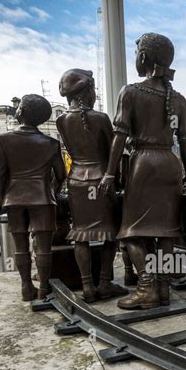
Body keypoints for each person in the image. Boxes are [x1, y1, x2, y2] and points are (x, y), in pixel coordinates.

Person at [100, 33, 186, 310]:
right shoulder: (179, 99)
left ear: (143, 57)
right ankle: (163, 288)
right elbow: (185, 140)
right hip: (170, 165)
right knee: (166, 232)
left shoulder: (130, 92)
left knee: (132, 232)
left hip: (144, 164)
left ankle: (146, 289)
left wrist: (109, 174)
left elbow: (119, 135)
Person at [57, 69, 128, 303]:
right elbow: (112, 153)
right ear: (87, 91)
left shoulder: (61, 120)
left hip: (76, 180)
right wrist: (115, 179)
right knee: (109, 233)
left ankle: (87, 285)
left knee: (80, 235)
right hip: (100, 179)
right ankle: (105, 282)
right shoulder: (100, 118)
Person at [0, 94, 66, 301]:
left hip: (14, 198)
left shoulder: (3, 140)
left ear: (21, 112)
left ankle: (26, 287)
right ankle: (44, 288)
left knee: (20, 245)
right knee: (44, 248)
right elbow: (61, 174)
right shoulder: (51, 143)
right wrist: (51, 190)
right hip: (42, 197)